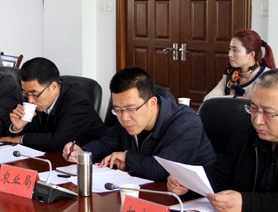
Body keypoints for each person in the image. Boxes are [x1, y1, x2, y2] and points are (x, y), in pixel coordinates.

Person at [168, 69, 278, 212]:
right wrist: (188, 183)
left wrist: (246, 205)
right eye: (253, 108)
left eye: (268, 113)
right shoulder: (247, 136)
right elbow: (221, 176)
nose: (257, 121)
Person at [63, 67, 215, 181]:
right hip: (147, 189)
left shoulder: (186, 124)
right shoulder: (127, 119)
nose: (124, 118)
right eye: (118, 110)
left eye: (131, 109)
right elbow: (106, 143)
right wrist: (83, 152)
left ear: (152, 103)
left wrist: (127, 157)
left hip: (196, 201)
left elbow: (160, 169)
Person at [0, 57, 107, 151]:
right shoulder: (33, 95)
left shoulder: (77, 102)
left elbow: (57, 141)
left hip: (88, 159)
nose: (30, 100)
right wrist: (17, 128)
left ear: (53, 87)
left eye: (34, 94)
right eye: (26, 93)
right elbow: (25, 135)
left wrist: (22, 138)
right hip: (50, 156)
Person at [204, 29, 276, 101]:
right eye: (230, 49)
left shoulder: (266, 79)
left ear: (251, 54)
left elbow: (259, 105)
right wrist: (236, 98)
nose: (229, 54)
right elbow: (208, 99)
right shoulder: (231, 74)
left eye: (235, 50)